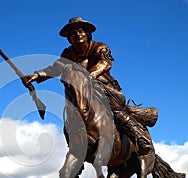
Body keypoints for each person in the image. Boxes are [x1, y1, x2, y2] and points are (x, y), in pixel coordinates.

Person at [25, 17, 154, 156]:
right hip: (79, 88)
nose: (77, 34)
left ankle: (140, 137)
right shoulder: (67, 54)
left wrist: (90, 76)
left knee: (115, 109)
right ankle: (76, 151)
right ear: (69, 38)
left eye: (81, 31)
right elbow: (56, 68)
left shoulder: (100, 47)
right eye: (73, 33)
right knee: (71, 118)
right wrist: (37, 75)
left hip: (104, 86)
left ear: (87, 34)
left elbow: (105, 63)